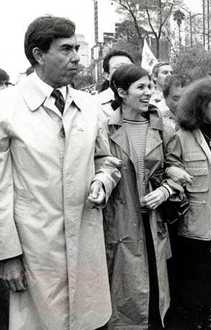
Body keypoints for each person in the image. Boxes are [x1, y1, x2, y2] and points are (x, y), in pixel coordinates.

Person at [0, 16, 121, 329]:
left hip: (85, 247)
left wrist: (102, 181)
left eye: (77, 48)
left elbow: (106, 159)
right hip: (34, 252)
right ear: (39, 55)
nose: (77, 57)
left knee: (88, 321)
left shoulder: (89, 105)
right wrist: (8, 255)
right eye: (66, 49)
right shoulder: (7, 108)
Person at [102, 64, 184, 328]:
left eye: (150, 86)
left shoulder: (164, 128)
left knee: (156, 299)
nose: (149, 92)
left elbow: (179, 170)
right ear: (122, 92)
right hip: (120, 226)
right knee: (125, 299)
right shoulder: (104, 129)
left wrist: (165, 190)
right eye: (141, 87)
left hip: (155, 227)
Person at [165, 77, 211, 329]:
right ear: (201, 105)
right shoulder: (180, 137)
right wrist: (173, 172)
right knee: (194, 286)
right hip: (195, 230)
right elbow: (169, 170)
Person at [97, 49, 134, 116]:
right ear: (107, 75)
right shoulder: (95, 104)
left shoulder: (147, 101)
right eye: (118, 67)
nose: (125, 71)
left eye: (130, 67)